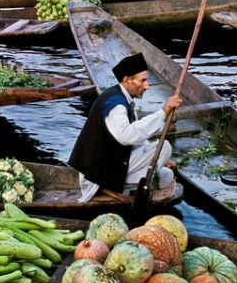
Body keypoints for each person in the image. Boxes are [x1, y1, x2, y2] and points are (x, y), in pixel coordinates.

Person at [69, 53, 182, 203]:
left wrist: (159, 159)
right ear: (127, 80)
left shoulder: (122, 98)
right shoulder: (116, 104)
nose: (147, 86)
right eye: (143, 80)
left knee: (166, 174)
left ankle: (148, 192)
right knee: (164, 147)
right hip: (98, 174)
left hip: (109, 162)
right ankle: (113, 188)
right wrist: (163, 112)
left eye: (146, 80)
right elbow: (127, 136)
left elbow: (134, 138)